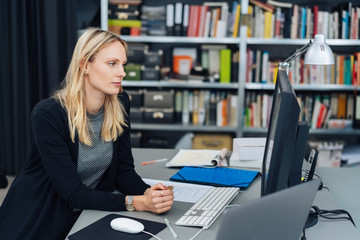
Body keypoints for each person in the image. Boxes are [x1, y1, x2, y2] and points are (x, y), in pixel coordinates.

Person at [0, 28, 174, 239]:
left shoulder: (120, 103)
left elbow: (123, 171)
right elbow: (73, 194)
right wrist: (136, 202)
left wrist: (148, 194)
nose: (122, 73)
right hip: (41, 216)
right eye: (112, 64)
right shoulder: (48, 114)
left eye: (123, 64)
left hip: (87, 211)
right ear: (84, 65)